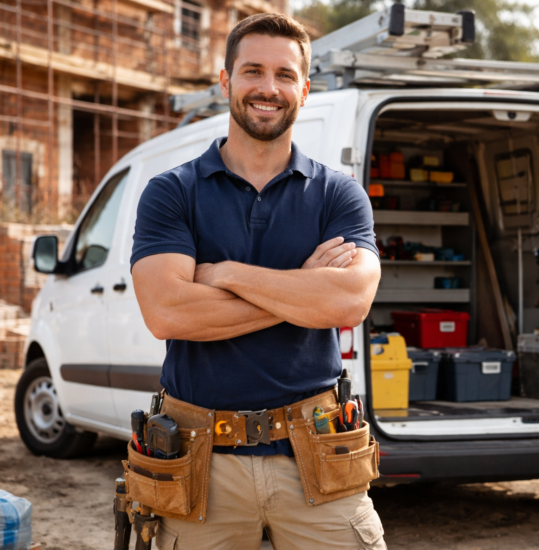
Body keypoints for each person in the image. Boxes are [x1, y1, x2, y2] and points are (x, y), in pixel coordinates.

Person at [130, 12, 385, 550]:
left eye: (285, 75)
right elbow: (168, 313)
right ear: (225, 81)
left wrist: (225, 274)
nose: (268, 88)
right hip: (199, 461)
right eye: (252, 71)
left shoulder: (339, 196)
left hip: (319, 456)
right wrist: (301, 292)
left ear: (305, 88)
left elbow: (350, 300)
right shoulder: (171, 193)